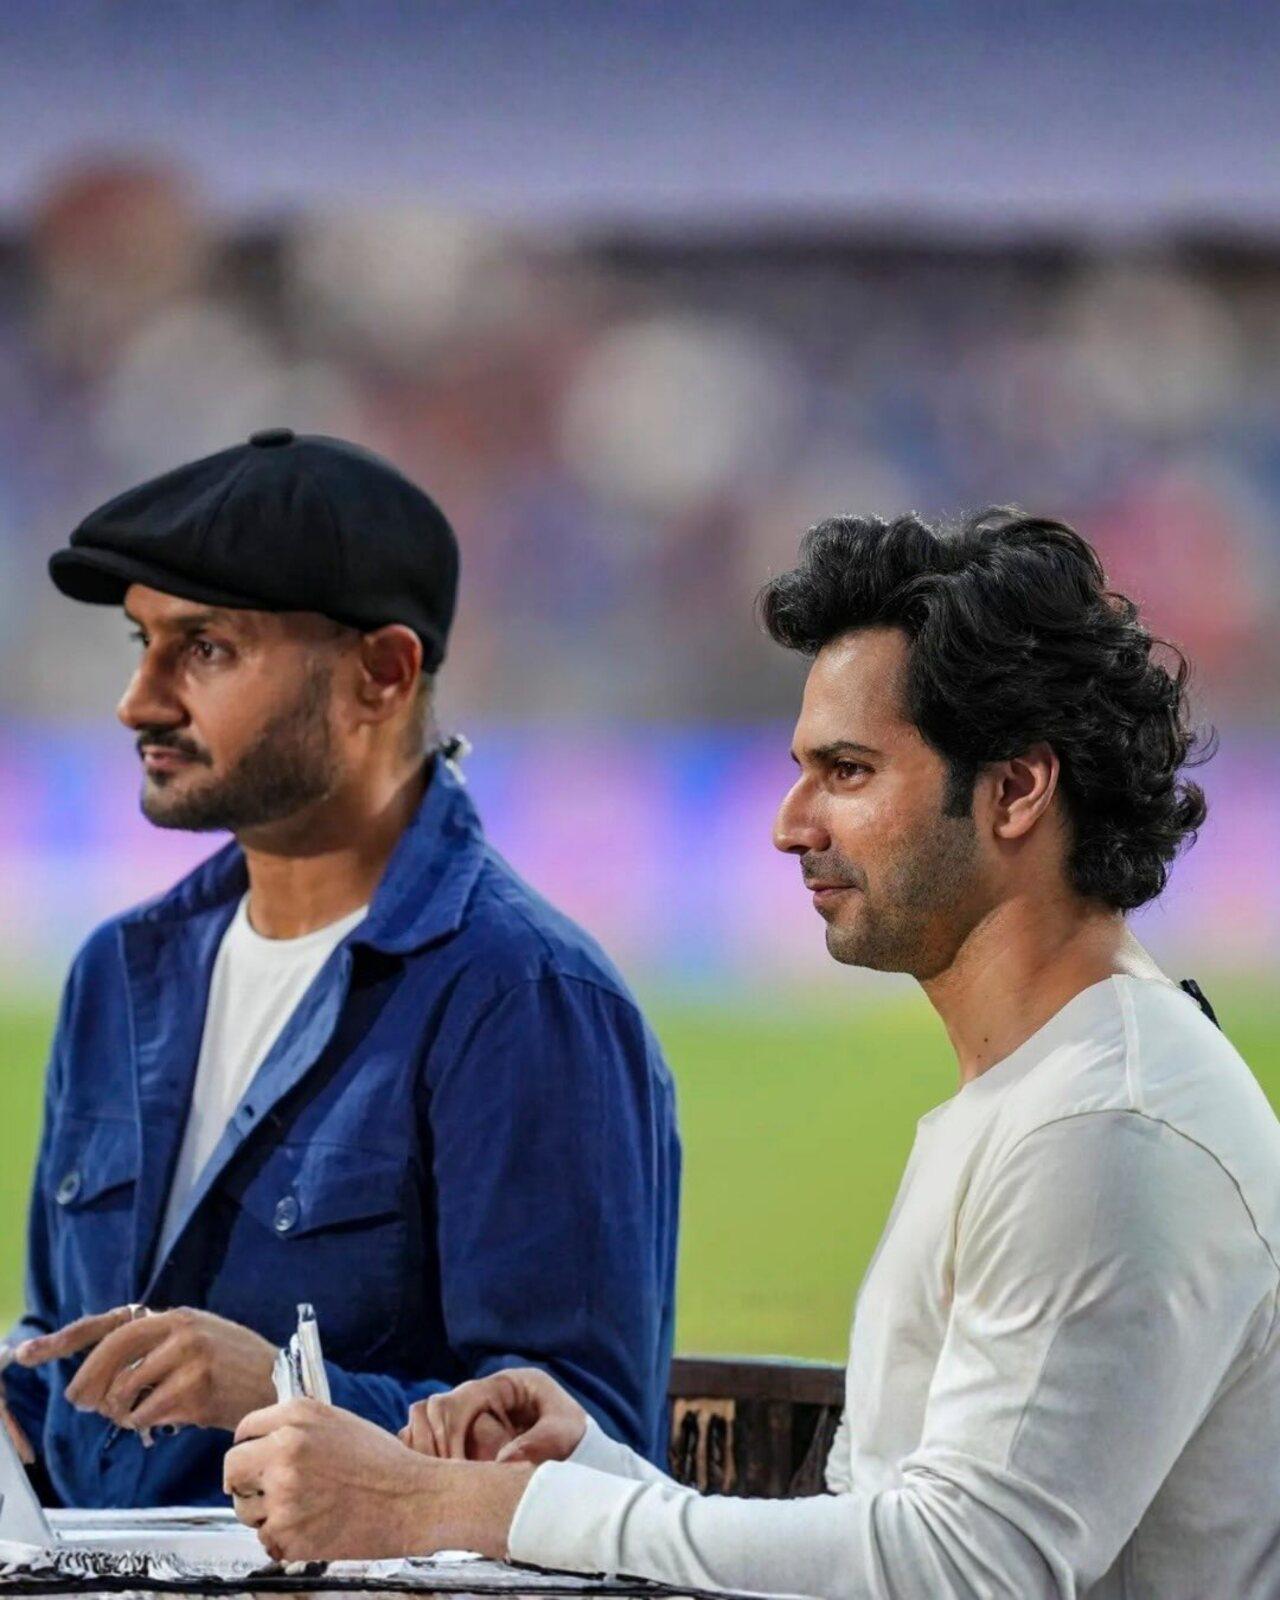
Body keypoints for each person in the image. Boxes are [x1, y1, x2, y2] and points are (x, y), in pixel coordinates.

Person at [225, 509, 1280, 1598]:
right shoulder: (1048, 1087)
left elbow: (969, 1566)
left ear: (1015, 789)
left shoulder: (1105, 1125)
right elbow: (890, 1532)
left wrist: (466, 1507)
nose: (788, 822)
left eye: (848, 770)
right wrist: (582, 1468)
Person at [0, 429, 680, 1510]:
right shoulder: (115, 977)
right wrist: (22, 1396)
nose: (140, 698)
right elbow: (68, 1372)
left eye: (206, 648)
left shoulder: (520, 997)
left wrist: (273, 1386)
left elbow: (589, 1459)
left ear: (382, 673)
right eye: (142, 642)